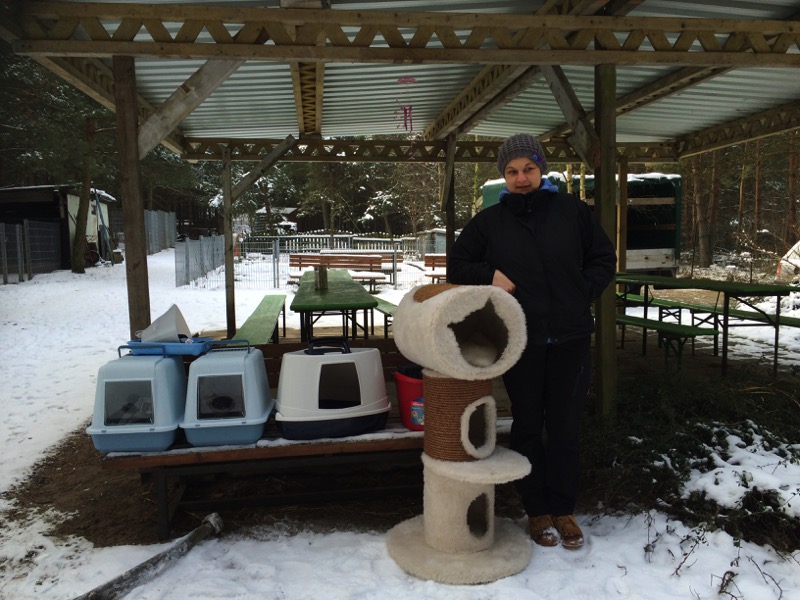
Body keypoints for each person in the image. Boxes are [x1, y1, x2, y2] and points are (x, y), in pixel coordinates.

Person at [447, 133, 616, 550]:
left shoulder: (573, 212)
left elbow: (603, 258)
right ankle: (536, 509)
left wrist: (582, 291)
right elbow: (457, 262)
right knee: (527, 425)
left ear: (542, 169)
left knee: (565, 426)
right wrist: (490, 275)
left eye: (528, 169)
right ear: (503, 176)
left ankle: (563, 508)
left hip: (571, 337)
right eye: (512, 171)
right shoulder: (490, 222)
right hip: (522, 339)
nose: (521, 178)